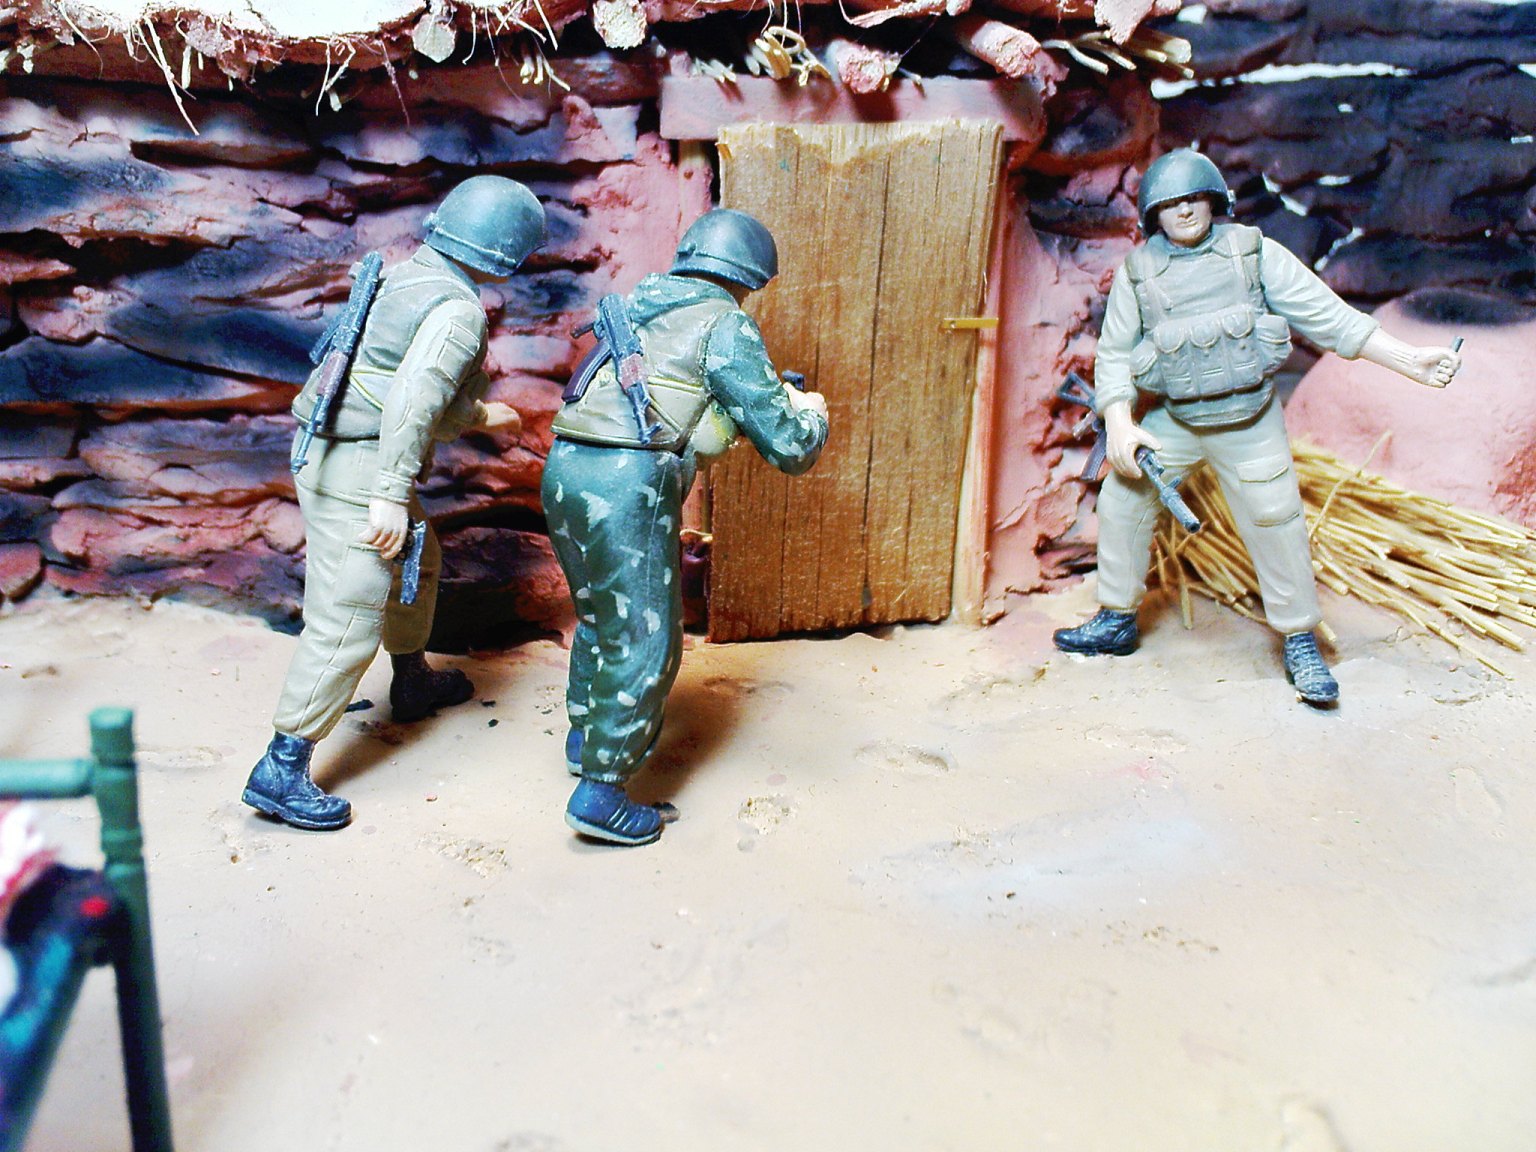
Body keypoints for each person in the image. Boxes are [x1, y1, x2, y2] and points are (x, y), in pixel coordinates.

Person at [1054, 149, 1459, 705]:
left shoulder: (1253, 254)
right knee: (1124, 498)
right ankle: (1117, 617)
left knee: (1275, 520)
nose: (1185, 211)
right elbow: (1115, 352)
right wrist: (1121, 422)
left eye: (1194, 198)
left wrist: (1410, 360)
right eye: (1171, 204)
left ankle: (1300, 638)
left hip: (1250, 419)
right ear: (1153, 215)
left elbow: (1331, 318)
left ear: (1214, 201)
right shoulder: (1139, 272)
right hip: (1177, 418)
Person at [243, 175, 546, 830]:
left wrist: (480, 415)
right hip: (359, 462)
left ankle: (411, 678)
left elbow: (399, 385)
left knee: (417, 563)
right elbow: (413, 399)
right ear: (506, 250)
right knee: (350, 610)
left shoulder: (408, 276)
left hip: (343, 445)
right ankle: (282, 767)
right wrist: (386, 494)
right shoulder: (458, 311)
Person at [544, 208, 829, 845]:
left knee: (598, 616)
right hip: (628, 484)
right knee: (647, 637)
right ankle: (602, 793)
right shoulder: (724, 322)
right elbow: (789, 445)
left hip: (566, 466)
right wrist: (811, 413)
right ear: (748, 276)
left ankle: (587, 737)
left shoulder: (640, 304)